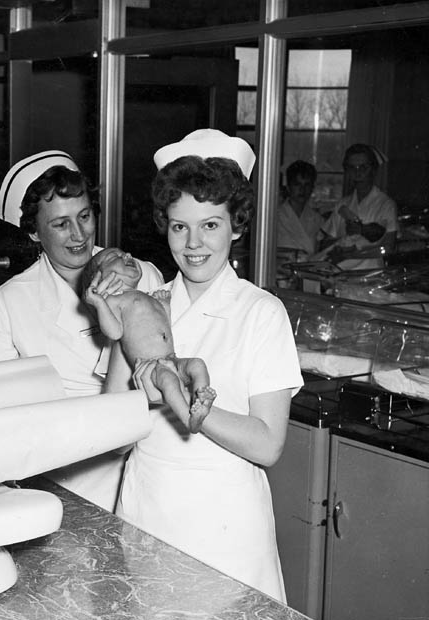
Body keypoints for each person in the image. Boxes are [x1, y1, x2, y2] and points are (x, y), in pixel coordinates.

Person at [111, 129, 303, 602]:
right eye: (180, 226)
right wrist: (138, 384)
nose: (194, 242)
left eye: (210, 225)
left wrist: (185, 404)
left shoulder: (262, 313)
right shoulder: (143, 308)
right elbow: (112, 439)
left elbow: (268, 443)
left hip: (225, 532)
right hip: (146, 512)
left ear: (237, 226)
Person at [0, 150, 164, 512]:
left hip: (146, 478)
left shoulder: (142, 275)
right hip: (68, 486)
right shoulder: (13, 302)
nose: (79, 235)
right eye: (60, 224)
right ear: (33, 231)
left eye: (85, 216)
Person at [81, 247, 215, 432]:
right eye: (115, 257)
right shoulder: (115, 302)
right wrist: (99, 304)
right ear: (99, 278)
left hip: (172, 358)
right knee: (169, 383)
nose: (127, 255)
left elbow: (163, 327)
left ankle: (202, 400)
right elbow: (115, 333)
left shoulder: (146, 295)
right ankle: (189, 419)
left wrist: (165, 306)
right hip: (152, 365)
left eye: (126, 253)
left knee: (197, 365)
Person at [318, 143, 398, 270]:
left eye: (363, 167)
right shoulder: (342, 204)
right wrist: (342, 243)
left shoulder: (386, 205)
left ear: (373, 169)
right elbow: (325, 244)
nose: (357, 173)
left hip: (370, 276)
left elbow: (388, 248)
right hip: (339, 275)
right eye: (352, 168)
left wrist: (354, 252)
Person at [276, 160, 327, 261]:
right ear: (289, 187)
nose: (302, 189)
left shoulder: (318, 220)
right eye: (297, 184)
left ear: (312, 188)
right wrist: (293, 253)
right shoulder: (274, 217)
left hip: (309, 273)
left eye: (307, 185)